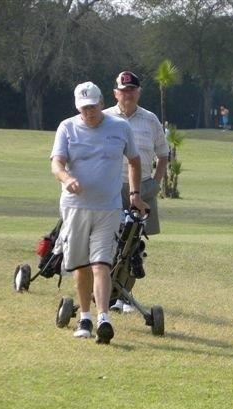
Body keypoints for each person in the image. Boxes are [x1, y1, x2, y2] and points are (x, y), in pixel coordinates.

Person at [50, 81, 148, 344]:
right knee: (81, 266)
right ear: (77, 107)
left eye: (93, 107)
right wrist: (66, 178)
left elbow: (134, 161)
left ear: (102, 104)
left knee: (101, 264)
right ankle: (85, 318)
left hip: (108, 208)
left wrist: (135, 194)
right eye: (84, 108)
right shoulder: (67, 127)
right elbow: (57, 163)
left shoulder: (120, 127)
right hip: (75, 207)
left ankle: (104, 318)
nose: (89, 112)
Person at [103, 70, 169, 314]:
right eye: (123, 90)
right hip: (109, 188)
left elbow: (163, 154)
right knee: (108, 241)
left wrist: (155, 183)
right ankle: (106, 293)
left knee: (133, 245)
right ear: (115, 93)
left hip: (141, 189)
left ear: (138, 93)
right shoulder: (104, 117)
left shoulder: (150, 120)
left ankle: (124, 296)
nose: (127, 94)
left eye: (131, 90)